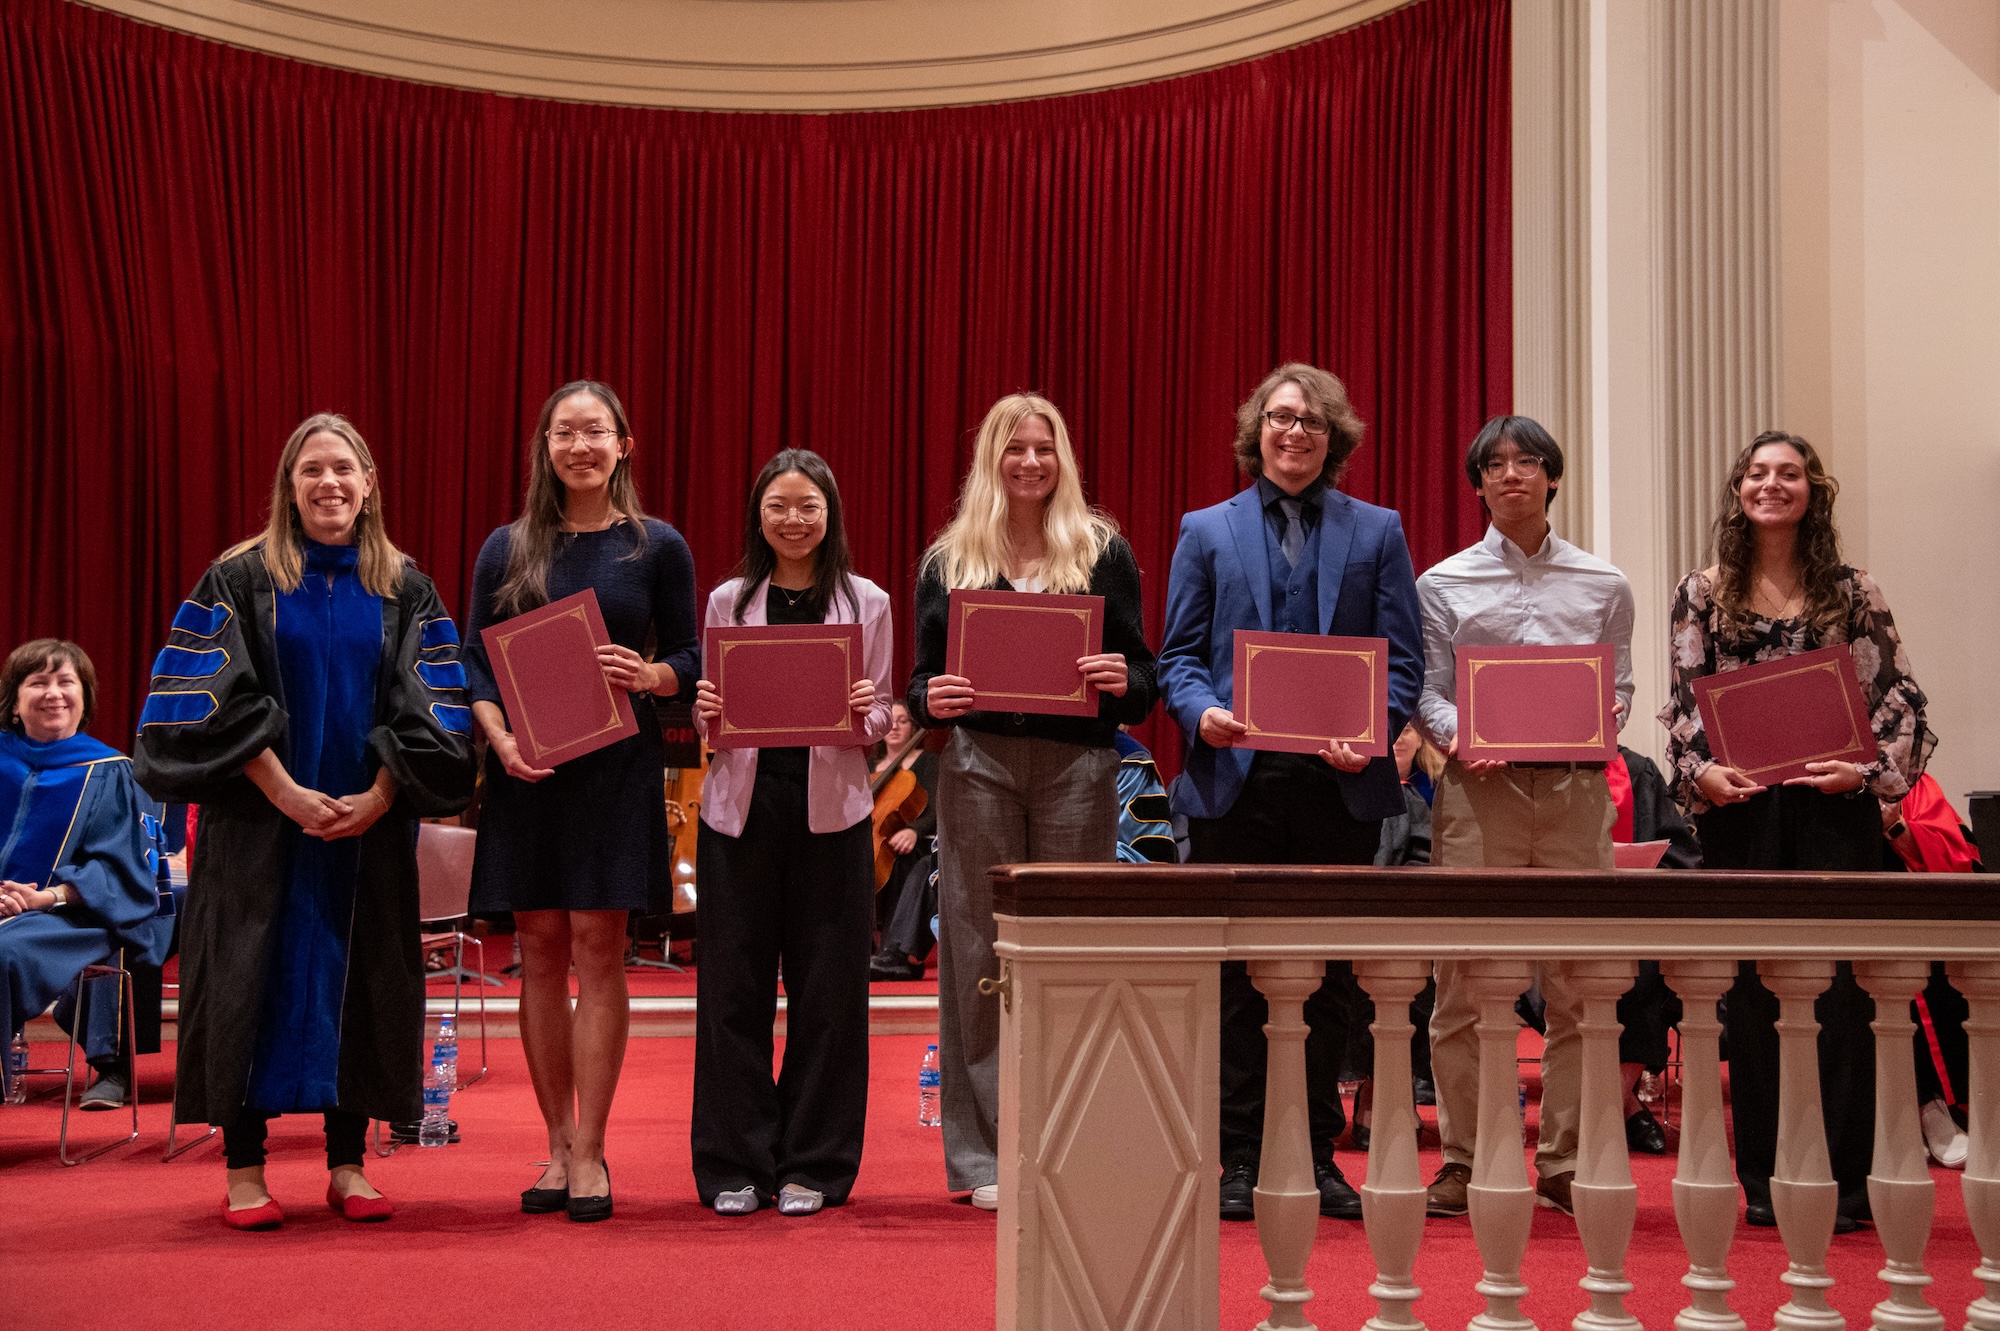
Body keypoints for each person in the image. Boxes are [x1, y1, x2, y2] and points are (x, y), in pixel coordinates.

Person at [134, 413, 476, 1230]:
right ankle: (246, 1169)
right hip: (258, 830)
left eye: (343, 469)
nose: (328, 483)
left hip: (367, 829)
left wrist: (381, 797)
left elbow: (435, 711)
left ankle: (348, 1164)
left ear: (369, 483)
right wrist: (285, 792)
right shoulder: (239, 578)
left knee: (363, 980)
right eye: (310, 470)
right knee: (248, 972)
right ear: (289, 485)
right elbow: (200, 707)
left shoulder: (405, 586)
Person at [1157, 362, 1423, 1222]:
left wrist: (1372, 729)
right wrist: (1204, 717)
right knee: (1238, 978)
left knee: (1330, 981)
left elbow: (1404, 660)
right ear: (1256, 432)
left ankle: (1316, 1154)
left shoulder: (1378, 531)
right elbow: (1179, 659)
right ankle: (1238, 1156)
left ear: (1333, 436)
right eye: (1280, 419)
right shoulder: (1205, 530)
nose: (1295, 433)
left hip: (1338, 784)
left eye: (1311, 422)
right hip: (1236, 781)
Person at [1661, 428, 1934, 1232]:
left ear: (1812, 489)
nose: (1770, 485)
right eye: (1756, 473)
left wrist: (1867, 772)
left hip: (1834, 814)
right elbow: (1682, 702)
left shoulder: (1853, 591)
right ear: (1737, 489)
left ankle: (1846, 1184)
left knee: (1841, 999)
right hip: (1743, 819)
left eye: (1787, 473)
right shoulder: (1702, 592)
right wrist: (1700, 771)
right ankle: (1763, 1179)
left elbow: (1904, 702)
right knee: (1750, 1001)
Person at [908, 392, 1158, 1211]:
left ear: (1062, 460)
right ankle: (982, 1158)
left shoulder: (1101, 551)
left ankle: (1070, 1137)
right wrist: (929, 698)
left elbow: (1144, 677)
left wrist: (1124, 684)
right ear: (991, 458)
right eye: (1014, 449)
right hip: (976, 764)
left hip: (1079, 766)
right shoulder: (949, 558)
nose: (1029, 462)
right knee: (974, 953)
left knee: (1071, 952)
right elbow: (920, 682)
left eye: (1043, 449)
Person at [463, 380, 699, 1223]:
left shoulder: (656, 545)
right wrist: (501, 743)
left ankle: (593, 1147)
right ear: (546, 447)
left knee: (601, 946)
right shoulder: (508, 545)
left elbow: (690, 657)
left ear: (623, 444)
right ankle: (556, 1142)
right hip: (528, 770)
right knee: (537, 944)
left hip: (614, 766)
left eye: (596, 431)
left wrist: (653, 675)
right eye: (566, 432)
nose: (581, 446)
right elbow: (475, 663)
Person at [1414, 414, 1635, 1221]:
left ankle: (1566, 1160)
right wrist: (1458, 735)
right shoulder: (1441, 583)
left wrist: (1596, 717)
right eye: (1495, 464)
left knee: (1578, 983)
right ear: (1476, 483)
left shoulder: (1604, 584)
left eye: (1529, 461)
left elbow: (1620, 690)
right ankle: (1469, 1157)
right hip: (1480, 796)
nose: (1512, 474)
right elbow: (1428, 689)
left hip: (1577, 793)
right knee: (1465, 982)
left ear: (1552, 476)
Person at [691, 449, 892, 1216]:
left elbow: (876, 722)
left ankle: (815, 1160)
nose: (795, 519)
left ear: (830, 513)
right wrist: (709, 707)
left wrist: (867, 707)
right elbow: (711, 720)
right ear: (759, 515)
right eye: (780, 506)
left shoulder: (865, 600)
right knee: (733, 991)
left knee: (829, 994)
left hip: (832, 815)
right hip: (739, 813)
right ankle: (733, 1162)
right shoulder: (728, 600)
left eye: (808, 506)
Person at [1, 641, 174, 1107]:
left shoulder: (110, 772)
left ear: (85, 698)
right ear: (14, 702)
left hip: (65, 913)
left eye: (66, 682)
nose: (53, 693)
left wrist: (45, 897)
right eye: (37, 682)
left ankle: (108, 1065)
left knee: (5, 951)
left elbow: (118, 871)